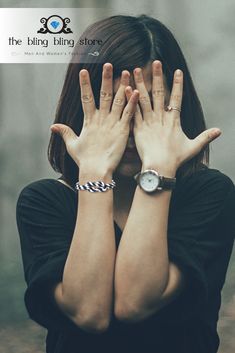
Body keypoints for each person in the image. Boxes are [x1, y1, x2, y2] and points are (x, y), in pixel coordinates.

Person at [16, 14, 235, 353]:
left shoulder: (210, 194)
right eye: (114, 105)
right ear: (83, 106)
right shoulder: (44, 202)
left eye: (148, 104)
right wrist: (95, 173)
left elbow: (135, 300)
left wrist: (159, 167)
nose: (130, 124)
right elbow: (88, 311)